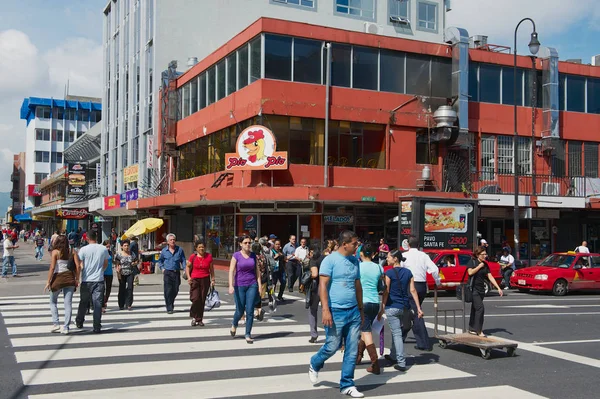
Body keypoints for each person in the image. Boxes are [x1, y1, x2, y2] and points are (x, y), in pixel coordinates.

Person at [308, 230, 364, 398]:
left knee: (352, 350)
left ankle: (347, 384)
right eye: (355, 243)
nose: (357, 246)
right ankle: (315, 362)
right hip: (335, 311)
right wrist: (325, 310)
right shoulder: (329, 260)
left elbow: (357, 286)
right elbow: (323, 286)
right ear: (344, 244)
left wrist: (361, 309)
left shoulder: (355, 261)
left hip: (353, 310)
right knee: (332, 346)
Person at [379, 249, 423, 372]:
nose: (387, 259)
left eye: (389, 257)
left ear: (395, 259)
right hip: (405, 307)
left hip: (392, 306)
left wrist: (382, 307)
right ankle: (393, 355)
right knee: (396, 332)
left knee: (397, 333)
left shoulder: (389, 273)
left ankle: (401, 362)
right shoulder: (408, 272)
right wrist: (418, 308)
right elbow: (413, 291)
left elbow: (386, 292)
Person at [402, 235, 440, 352]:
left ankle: (424, 342)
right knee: (410, 311)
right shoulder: (423, 255)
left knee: (415, 312)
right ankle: (401, 335)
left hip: (409, 285)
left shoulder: (404, 256)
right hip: (422, 285)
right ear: (418, 245)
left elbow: (400, 270)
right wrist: (437, 282)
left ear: (408, 245)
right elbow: (434, 269)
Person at [356, 243, 383, 375]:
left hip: (363, 302)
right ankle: (358, 356)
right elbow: (381, 287)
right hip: (375, 302)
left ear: (361, 254)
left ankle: (375, 363)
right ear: (372, 254)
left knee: (366, 332)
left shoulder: (358, 267)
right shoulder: (379, 267)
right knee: (365, 329)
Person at [75, 230, 109, 333]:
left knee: (83, 302)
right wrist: (100, 270)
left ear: (87, 238)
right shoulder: (103, 249)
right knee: (97, 303)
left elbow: (80, 265)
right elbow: (106, 263)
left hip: (86, 280)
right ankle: (97, 326)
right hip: (99, 279)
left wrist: (78, 277)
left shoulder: (83, 250)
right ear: (96, 237)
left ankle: (79, 321)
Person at [229, 235, 261, 344]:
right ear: (240, 244)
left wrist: (259, 285)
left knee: (250, 311)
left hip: (252, 284)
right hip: (239, 285)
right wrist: (231, 285)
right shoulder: (236, 256)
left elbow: (257, 271)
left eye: (249, 243)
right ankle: (234, 323)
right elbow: (231, 271)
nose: (248, 245)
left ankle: (248, 334)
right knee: (240, 310)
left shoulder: (253, 256)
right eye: (246, 243)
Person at [45, 235, 80, 334]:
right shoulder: (72, 251)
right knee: (67, 303)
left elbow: (52, 267)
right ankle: (66, 327)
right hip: (69, 278)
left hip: (58, 278)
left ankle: (56, 324)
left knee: (53, 301)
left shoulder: (55, 252)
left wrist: (48, 281)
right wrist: (77, 279)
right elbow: (78, 266)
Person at [468, 246, 504, 337]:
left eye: (485, 254)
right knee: (480, 309)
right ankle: (479, 330)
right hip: (474, 289)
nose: (485, 256)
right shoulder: (473, 262)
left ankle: (472, 328)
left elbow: (490, 276)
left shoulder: (485, 264)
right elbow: (470, 272)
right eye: (483, 254)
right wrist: (479, 266)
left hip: (481, 290)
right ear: (477, 255)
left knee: (475, 309)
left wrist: (498, 288)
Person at [186, 241, 215, 327]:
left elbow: (211, 269)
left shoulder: (209, 256)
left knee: (202, 299)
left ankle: (199, 319)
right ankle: (194, 316)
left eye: (203, 247)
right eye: (199, 247)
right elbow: (187, 267)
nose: (201, 249)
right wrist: (189, 277)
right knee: (195, 298)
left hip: (205, 279)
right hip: (195, 279)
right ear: (196, 248)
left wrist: (213, 279)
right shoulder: (193, 257)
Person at [158, 233, 186, 314]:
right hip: (167, 272)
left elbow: (183, 260)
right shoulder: (164, 251)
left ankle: (171, 302)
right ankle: (169, 307)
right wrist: (162, 268)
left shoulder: (179, 250)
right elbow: (160, 261)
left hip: (176, 272)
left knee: (175, 289)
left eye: (174, 239)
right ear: (167, 242)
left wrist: (184, 269)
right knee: (168, 290)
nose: (173, 241)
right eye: (171, 240)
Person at [307, 244, 325, 344]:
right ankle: (331, 333)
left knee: (313, 310)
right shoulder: (325, 259)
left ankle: (314, 335)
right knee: (326, 310)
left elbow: (314, 274)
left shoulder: (313, 260)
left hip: (316, 287)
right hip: (327, 287)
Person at [115, 239, 138, 310]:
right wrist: (118, 269)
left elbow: (136, 260)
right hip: (122, 273)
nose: (126, 247)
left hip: (130, 272)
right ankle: (121, 304)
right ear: (122, 247)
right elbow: (117, 263)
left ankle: (129, 304)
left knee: (130, 288)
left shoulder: (132, 253)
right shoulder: (119, 254)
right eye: (125, 246)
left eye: (127, 245)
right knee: (122, 288)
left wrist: (134, 263)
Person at [102, 240, 114, 313]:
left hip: (110, 272)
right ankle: (102, 303)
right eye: (106, 247)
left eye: (109, 247)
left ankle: (105, 300)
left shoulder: (110, 253)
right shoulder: (102, 253)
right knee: (102, 288)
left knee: (108, 288)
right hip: (103, 272)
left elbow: (113, 261)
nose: (108, 248)